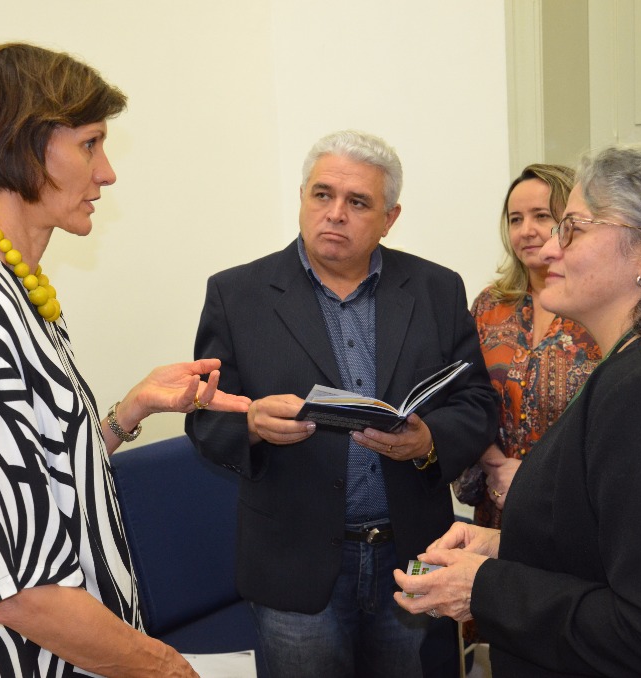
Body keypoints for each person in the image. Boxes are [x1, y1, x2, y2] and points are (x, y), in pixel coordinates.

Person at [0, 43, 250, 678]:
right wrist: (171, 669)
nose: (107, 173)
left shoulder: (17, 288)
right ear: (11, 143)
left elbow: (42, 484)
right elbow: (23, 591)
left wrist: (128, 411)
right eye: (90, 144)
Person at [395, 147, 641, 677]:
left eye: (572, 229)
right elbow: (623, 548)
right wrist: (508, 546)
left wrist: (482, 588)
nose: (549, 247)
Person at [185, 129, 499, 678]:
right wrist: (251, 424)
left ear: (389, 218)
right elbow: (205, 416)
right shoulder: (237, 295)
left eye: (358, 202)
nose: (335, 213)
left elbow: (476, 402)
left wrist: (429, 440)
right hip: (293, 562)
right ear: (302, 197)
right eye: (322, 195)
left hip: (413, 554)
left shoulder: (436, 288)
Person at [453, 165, 600, 530]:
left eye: (542, 216)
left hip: (574, 513)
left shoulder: (597, 307)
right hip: (496, 506)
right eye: (515, 219)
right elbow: (461, 395)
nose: (526, 230)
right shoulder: (489, 306)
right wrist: (495, 466)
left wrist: (531, 478)